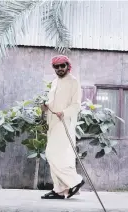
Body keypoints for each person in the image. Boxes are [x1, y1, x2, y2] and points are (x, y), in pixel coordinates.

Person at [40, 55, 85, 199]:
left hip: (64, 122)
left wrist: (64, 113)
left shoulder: (74, 82)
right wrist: (46, 107)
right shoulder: (54, 82)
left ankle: (75, 181)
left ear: (67, 66)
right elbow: (53, 102)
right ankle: (60, 190)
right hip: (52, 123)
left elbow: (76, 104)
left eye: (62, 66)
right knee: (61, 156)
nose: (59, 69)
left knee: (51, 153)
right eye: (56, 67)